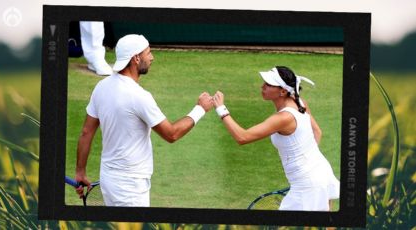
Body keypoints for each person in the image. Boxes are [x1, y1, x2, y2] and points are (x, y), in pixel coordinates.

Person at [75, 34, 213, 207]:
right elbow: (171, 134)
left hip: (108, 180)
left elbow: (86, 133)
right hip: (130, 187)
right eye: (148, 52)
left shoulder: (101, 87)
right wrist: (200, 109)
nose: (152, 57)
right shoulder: (139, 96)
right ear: (136, 58)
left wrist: (80, 171)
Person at [212, 66, 340, 211]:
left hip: (308, 184)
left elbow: (242, 137)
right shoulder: (300, 103)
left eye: (268, 84)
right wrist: (306, 165)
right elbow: (317, 132)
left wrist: (221, 108)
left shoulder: (284, 118)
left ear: (283, 91)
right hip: (320, 172)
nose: (262, 86)